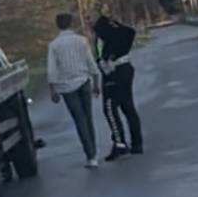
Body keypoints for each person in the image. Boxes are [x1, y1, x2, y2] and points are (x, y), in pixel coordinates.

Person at [47, 13, 101, 168]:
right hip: (84, 81)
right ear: (71, 23)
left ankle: (90, 155)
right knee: (88, 117)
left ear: (58, 25)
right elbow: (90, 62)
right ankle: (94, 151)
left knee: (79, 120)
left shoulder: (54, 45)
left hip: (66, 86)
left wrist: (53, 90)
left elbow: (52, 69)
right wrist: (96, 82)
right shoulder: (81, 41)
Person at [93, 15, 143, 161]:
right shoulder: (122, 33)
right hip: (126, 68)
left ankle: (120, 143)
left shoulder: (104, 37)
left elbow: (101, 56)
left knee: (109, 108)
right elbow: (130, 32)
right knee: (128, 106)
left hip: (113, 73)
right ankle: (137, 143)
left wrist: (108, 58)